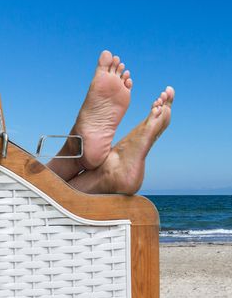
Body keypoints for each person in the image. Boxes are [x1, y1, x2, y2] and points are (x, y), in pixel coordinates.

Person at [45, 51, 173, 194]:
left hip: (26, 193)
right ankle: (109, 168)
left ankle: (86, 155)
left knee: (32, 186)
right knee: (34, 185)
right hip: (26, 190)